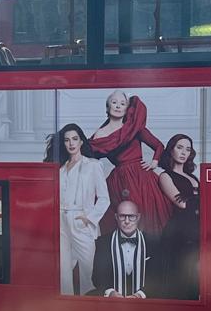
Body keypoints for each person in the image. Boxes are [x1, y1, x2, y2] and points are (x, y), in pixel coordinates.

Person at [88, 91, 171, 238]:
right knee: (121, 219)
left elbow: (159, 146)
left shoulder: (133, 127)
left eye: (122, 103)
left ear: (127, 108)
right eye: (114, 102)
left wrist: (154, 162)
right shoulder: (99, 134)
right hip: (119, 180)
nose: (118, 106)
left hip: (141, 178)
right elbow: (90, 158)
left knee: (145, 217)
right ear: (107, 108)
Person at [47, 122, 109, 295]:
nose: (71, 143)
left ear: (81, 141)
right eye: (67, 140)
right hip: (60, 220)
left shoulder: (93, 165)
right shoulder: (59, 168)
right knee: (63, 270)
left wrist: (88, 218)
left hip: (81, 220)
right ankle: (65, 308)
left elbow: (104, 198)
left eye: (75, 139)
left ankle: (88, 307)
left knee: (88, 271)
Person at [156, 133, 201, 299]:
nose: (183, 152)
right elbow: (181, 203)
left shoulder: (193, 177)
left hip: (196, 228)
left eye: (188, 149)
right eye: (179, 147)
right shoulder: (165, 176)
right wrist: (203, 200)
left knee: (195, 276)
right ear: (171, 150)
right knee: (182, 276)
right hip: (179, 232)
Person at [94, 201, 151, 297]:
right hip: (112, 304)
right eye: (122, 216)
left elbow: (159, 277)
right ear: (116, 217)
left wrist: (139, 295)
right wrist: (111, 292)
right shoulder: (103, 242)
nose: (127, 221)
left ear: (138, 217)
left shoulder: (153, 243)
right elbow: (96, 276)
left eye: (131, 216)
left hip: (145, 304)